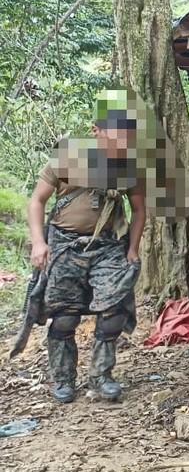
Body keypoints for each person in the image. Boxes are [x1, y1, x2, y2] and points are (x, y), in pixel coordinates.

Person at [23, 90, 147, 403]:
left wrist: (132, 249)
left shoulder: (127, 165)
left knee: (113, 311)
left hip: (106, 247)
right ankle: (63, 379)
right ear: (97, 131)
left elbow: (139, 209)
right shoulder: (68, 156)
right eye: (116, 134)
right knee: (64, 317)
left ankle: (101, 376)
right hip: (64, 244)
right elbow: (37, 201)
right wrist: (39, 242)